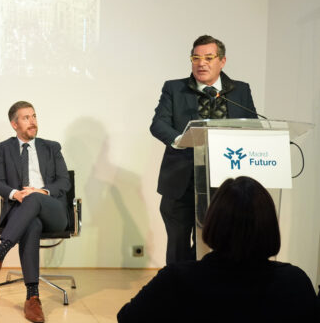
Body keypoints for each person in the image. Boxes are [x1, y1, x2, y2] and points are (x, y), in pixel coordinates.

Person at [118, 176, 320, 322]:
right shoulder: (294, 282)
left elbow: (127, 317)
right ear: (269, 226)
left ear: (213, 222)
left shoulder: (177, 280)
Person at [150, 34, 257, 265]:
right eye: (196, 57)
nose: (201, 63)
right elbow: (158, 124)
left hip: (225, 184)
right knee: (178, 246)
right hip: (181, 182)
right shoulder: (174, 88)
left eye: (209, 57)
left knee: (217, 245)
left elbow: (253, 127)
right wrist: (181, 139)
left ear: (222, 61)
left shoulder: (240, 91)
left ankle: (210, 293)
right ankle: (176, 293)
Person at [0, 101, 71, 323]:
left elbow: (64, 182)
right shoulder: (4, 148)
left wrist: (41, 191)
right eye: (26, 118)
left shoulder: (51, 147)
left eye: (34, 116)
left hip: (53, 211)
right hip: (22, 213)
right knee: (32, 224)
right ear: (14, 124)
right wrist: (15, 193)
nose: (33, 121)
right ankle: (32, 298)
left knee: (34, 197)